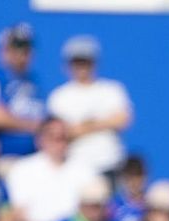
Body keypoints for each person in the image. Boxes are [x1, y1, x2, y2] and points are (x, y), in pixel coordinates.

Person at [46, 36, 132, 180]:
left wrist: (86, 126)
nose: (81, 67)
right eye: (77, 62)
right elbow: (60, 132)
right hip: (75, 165)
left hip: (110, 164)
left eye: (86, 62)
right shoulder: (59, 97)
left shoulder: (111, 90)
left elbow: (122, 120)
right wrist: (103, 123)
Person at [5, 118, 93, 221]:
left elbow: (92, 210)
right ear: (40, 139)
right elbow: (19, 212)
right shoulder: (22, 169)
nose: (59, 142)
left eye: (62, 137)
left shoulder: (85, 169)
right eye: (53, 137)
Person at [0, 23, 44, 161]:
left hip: (33, 158)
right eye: (16, 47)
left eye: (26, 47)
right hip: (4, 158)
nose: (22, 53)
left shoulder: (32, 81)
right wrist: (35, 126)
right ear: (4, 49)